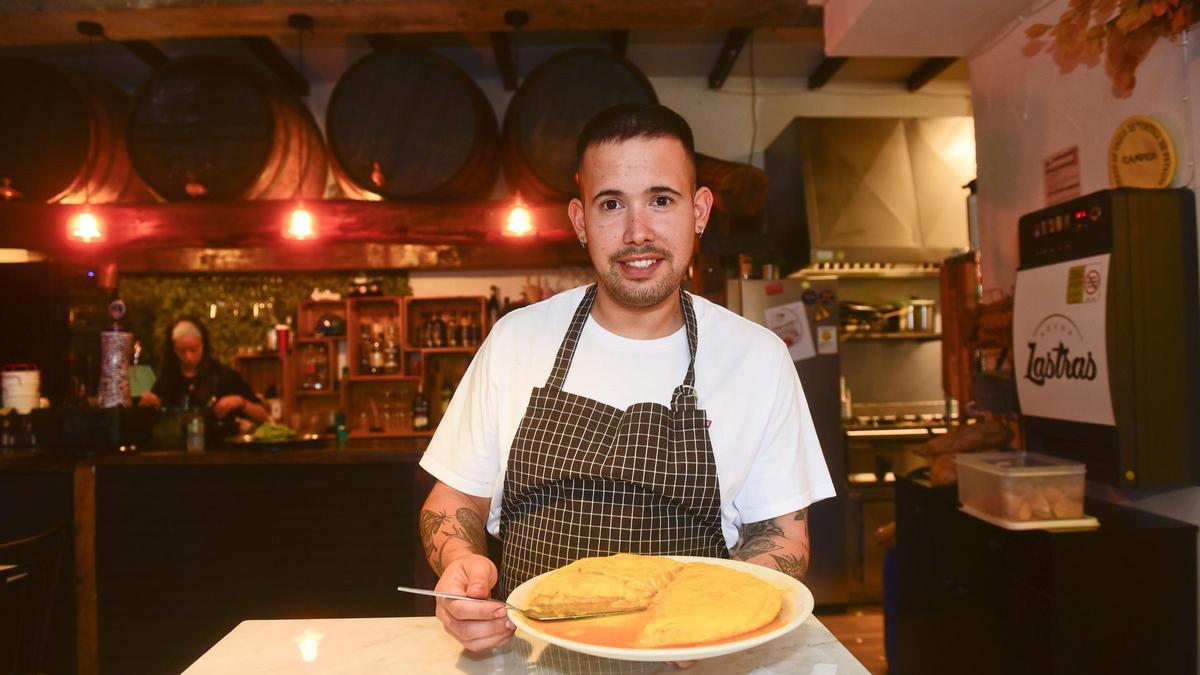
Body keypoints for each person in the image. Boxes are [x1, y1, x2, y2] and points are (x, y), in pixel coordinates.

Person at [418, 103, 835, 653]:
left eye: (661, 200)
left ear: (700, 211)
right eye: (611, 204)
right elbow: (452, 501)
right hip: (530, 659)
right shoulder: (516, 341)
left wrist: (720, 626)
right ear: (579, 221)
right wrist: (461, 563)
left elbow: (782, 535)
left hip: (693, 664)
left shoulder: (756, 359)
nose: (638, 233)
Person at [138, 318, 270, 434]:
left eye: (194, 349)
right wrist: (145, 405)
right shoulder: (168, 380)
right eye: (182, 351)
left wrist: (241, 402)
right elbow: (152, 422)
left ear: (203, 345)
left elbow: (263, 417)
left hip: (222, 455)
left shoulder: (223, 376)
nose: (188, 356)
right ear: (173, 350)